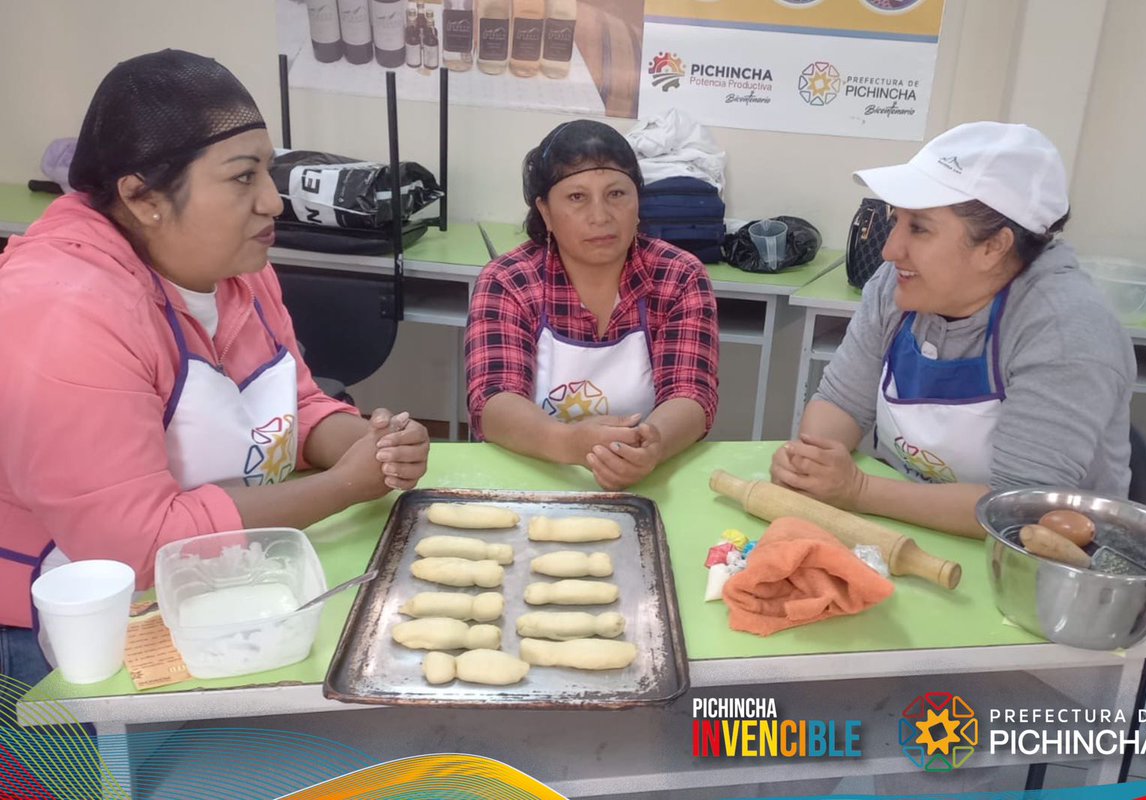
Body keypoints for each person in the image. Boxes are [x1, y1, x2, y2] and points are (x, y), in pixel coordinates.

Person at [0, 50, 430, 678]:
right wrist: (344, 485)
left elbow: (296, 405)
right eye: (242, 178)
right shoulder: (63, 311)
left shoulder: (236, 273)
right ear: (143, 196)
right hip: (81, 639)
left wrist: (371, 444)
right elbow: (138, 550)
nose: (273, 203)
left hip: (231, 587)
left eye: (269, 173)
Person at [773, 121, 1135, 538]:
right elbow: (840, 403)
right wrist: (812, 466)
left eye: (919, 228)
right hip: (905, 530)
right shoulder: (898, 285)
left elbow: (1018, 508)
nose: (890, 250)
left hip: (1037, 568)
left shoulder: (1065, 331)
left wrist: (857, 489)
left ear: (993, 247)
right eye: (896, 221)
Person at [465, 120, 719, 490]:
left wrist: (652, 446)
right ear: (546, 212)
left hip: (648, 479)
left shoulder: (679, 276)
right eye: (576, 197)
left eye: (617, 194)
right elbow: (492, 401)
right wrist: (569, 443)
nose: (600, 216)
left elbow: (692, 394)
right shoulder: (508, 280)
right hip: (533, 475)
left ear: (638, 203)